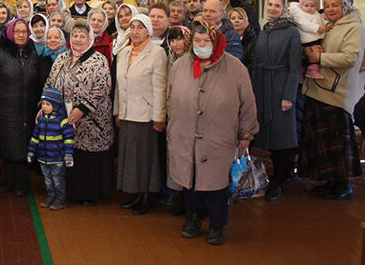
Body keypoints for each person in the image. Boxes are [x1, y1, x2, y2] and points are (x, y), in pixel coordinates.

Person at [168, 21, 259, 245]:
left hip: (219, 136)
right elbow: (170, 97)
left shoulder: (235, 67)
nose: (201, 45)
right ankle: (193, 218)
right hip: (185, 133)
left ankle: (218, 225)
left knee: (217, 184)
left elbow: (248, 104)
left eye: (206, 41)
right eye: (197, 41)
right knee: (190, 180)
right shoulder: (181, 65)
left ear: (216, 41)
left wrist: (246, 133)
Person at [301, 0, 364, 199]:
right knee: (322, 142)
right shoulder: (329, 26)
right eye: (327, 6)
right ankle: (329, 180)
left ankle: (343, 184)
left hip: (337, 92)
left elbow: (351, 58)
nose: (330, 9)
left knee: (337, 143)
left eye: (335, 5)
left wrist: (320, 56)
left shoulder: (355, 27)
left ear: (344, 7)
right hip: (319, 89)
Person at [44, 20, 113, 206]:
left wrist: (82, 109)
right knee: (69, 154)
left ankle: (87, 194)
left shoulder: (98, 60)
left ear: (90, 38)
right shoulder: (62, 58)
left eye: (83, 36)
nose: (78, 39)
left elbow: (102, 88)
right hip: (64, 119)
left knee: (86, 159)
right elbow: (50, 83)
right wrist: (44, 105)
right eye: (75, 35)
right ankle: (68, 192)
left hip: (91, 121)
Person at [114, 14, 167, 215]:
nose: (135, 31)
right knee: (131, 157)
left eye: (140, 28)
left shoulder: (157, 53)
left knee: (146, 158)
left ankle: (148, 196)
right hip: (128, 113)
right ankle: (136, 193)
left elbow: (159, 88)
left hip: (146, 115)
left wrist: (159, 117)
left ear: (148, 31)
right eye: (133, 27)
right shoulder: (124, 52)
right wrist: (118, 111)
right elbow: (120, 86)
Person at [251, 0, 302, 202]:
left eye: (277, 5)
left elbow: (294, 66)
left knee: (282, 137)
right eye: (270, 5)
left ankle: (279, 180)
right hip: (263, 86)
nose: (272, 8)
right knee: (267, 136)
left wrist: (288, 95)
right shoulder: (265, 29)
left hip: (280, 86)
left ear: (284, 8)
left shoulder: (291, 32)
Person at [0, 18, 39, 196]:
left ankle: (21, 183)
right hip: (4, 108)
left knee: (24, 145)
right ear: (10, 33)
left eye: (24, 32)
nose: (20, 35)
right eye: (17, 31)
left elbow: (38, 81)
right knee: (7, 145)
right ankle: (9, 181)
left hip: (27, 109)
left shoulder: (32, 53)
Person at [28, 88, 74, 211]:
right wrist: (31, 151)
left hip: (57, 158)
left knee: (57, 179)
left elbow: (69, 139)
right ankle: (51, 195)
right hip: (44, 158)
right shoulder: (41, 120)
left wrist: (68, 155)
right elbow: (35, 137)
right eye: (43, 104)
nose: (44, 107)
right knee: (48, 180)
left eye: (48, 104)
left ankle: (60, 198)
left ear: (56, 105)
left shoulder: (62, 121)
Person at [287, 0, 327, 79]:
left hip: (316, 38)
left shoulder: (316, 14)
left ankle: (303, 74)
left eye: (312, 5)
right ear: (301, 5)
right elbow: (304, 24)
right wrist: (316, 28)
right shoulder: (300, 15)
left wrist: (327, 24)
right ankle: (311, 70)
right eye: (306, 5)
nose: (309, 8)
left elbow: (321, 20)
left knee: (315, 53)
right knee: (309, 56)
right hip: (307, 39)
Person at [229, 7, 257, 73]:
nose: (236, 20)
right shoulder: (226, 38)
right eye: (233, 18)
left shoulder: (253, 39)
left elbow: (253, 62)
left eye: (240, 18)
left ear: (246, 21)